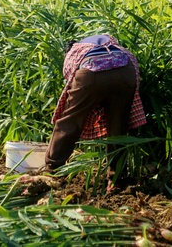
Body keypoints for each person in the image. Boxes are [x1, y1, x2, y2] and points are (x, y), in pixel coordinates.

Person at [46, 34, 146, 184]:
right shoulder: (114, 46)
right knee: (117, 127)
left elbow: (71, 78)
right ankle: (116, 177)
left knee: (70, 122)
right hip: (126, 72)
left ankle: (53, 170)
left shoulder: (76, 50)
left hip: (91, 73)